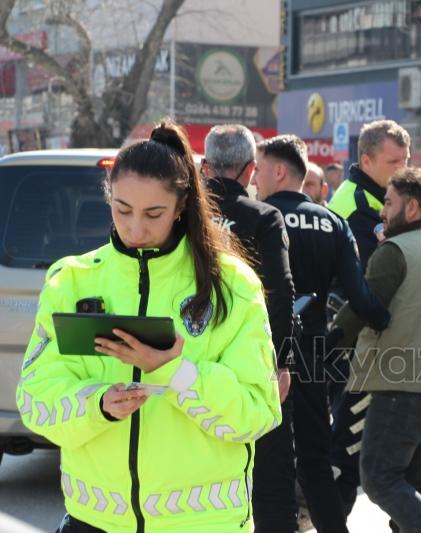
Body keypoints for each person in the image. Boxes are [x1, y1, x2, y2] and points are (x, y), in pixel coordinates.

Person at [17, 120, 282, 533]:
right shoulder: (72, 280)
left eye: (153, 214)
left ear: (181, 206)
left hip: (204, 523)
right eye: (122, 210)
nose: (136, 229)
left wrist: (175, 372)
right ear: (108, 197)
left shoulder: (232, 285)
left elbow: (257, 413)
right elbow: (36, 400)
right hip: (95, 521)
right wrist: (99, 406)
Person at [251, 134, 391, 533]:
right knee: (315, 461)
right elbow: (360, 297)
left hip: (263, 356)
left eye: (260, 170)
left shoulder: (258, 217)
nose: (255, 178)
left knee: (268, 462)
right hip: (313, 356)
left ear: (279, 171)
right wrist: (386, 321)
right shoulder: (333, 222)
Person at [332, 167, 421, 533]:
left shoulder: (394, 251)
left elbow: (361, 309)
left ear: (411, 208)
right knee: (410, 480)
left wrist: (327, 343)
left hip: (402, 387)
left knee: (378, 477)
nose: (382, 211)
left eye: (389, 203)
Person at [327, 119, 411, 515]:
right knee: (346, 450)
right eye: (394, 162)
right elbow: (367, 283)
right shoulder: (356, 206)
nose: (403, 168)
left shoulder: (381, 198)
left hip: (371, 342)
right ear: (367, 161)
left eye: (406, 159)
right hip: (353, 342)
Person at [202, 124, 295, 404]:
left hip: (188, 350)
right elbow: (280, 289)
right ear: (251, 168)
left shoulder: (181, 212)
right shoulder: (264, 217)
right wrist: (280, 361)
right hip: (246, 351)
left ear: (205, 166)